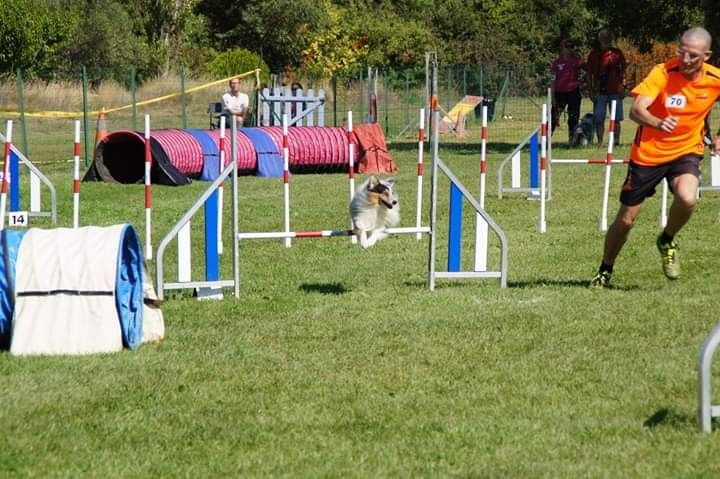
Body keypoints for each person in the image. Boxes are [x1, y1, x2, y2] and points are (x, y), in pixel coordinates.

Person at [590, 27, 720, 288]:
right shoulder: (662, 72)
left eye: (692, 55)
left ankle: (667, 238)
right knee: (626, 220)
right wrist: (658, 123)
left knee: (687, 197)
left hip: (686, 151)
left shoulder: (714, 79)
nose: (685, 59)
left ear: (706, 56)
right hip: (648, 154)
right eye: (681, 52)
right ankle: (605, 268)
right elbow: (636, 111)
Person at [587, 29, 627, 145]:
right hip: (599, 91)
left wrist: (623, 86)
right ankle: (599, 142)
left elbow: (623, 71)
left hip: (615, 91)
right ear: (599, 39)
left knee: (616, 119)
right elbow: (589, 74)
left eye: (608, 37)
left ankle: (616, 141)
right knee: (599, 119)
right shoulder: (593, 54)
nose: (606, 40)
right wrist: (590, 90)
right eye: (603, 37)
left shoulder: (617, 53)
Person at [550, 38, 585, 145]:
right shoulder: (556, 63)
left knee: (573, 117)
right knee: (553, 118)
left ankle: (572, 141)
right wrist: (552, 97)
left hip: (573, 92)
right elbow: (552, 80)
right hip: (559, 93)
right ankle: (546, 139)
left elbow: (590, 70)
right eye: (567, 46)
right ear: (562, 48)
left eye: (572, 46)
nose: (570, 49)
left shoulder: (577, 61)